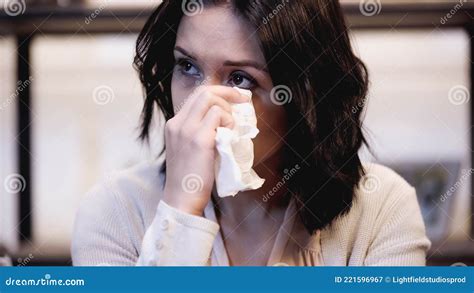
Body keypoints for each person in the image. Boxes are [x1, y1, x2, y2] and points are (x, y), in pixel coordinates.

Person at [72, 0, 431, 266]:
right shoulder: (115, 211)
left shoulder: (383, 209)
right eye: (187, 67)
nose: (203, 104)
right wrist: (180, 212)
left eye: (240, 78)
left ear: (305, 94)